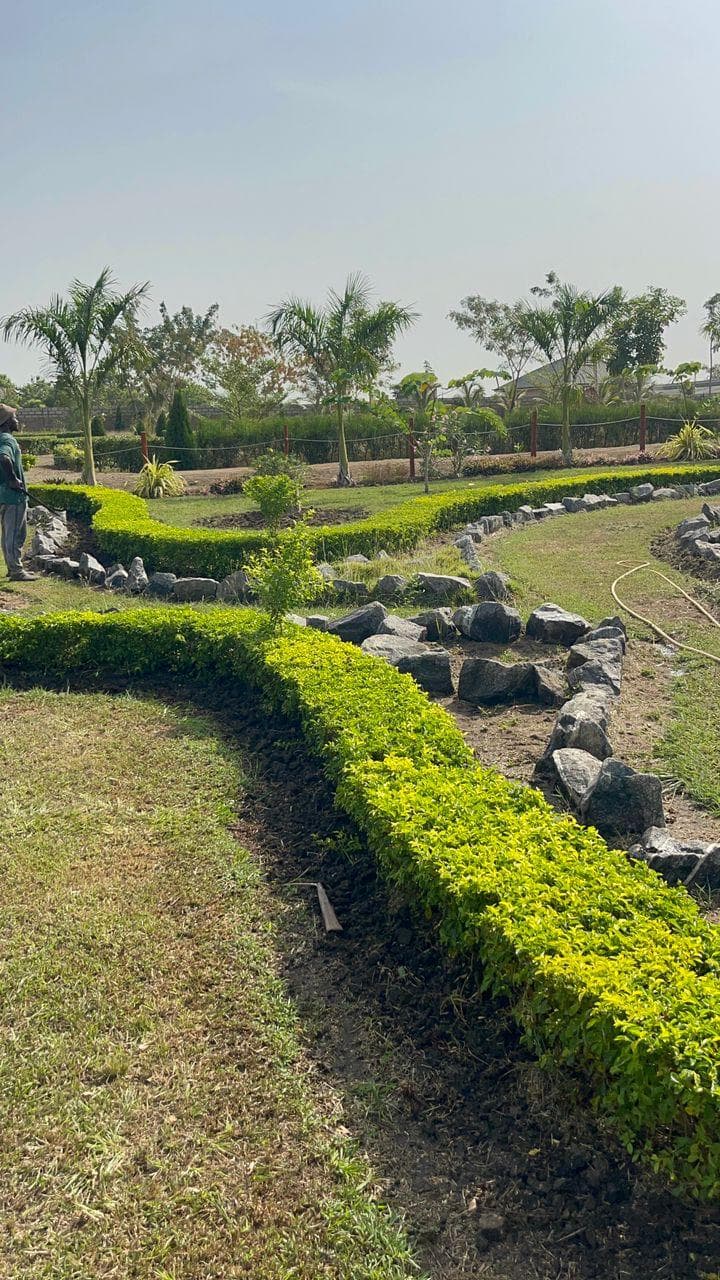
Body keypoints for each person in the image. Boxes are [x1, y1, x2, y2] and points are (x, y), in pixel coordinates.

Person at [0, 404, 37, 582]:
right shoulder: (8, 439)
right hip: (13, 497)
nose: (17, 420)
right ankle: (16, 571)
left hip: (3, 495)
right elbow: (4, 458)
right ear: (7, 421)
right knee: (16, 534)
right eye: (14, 417)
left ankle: (11, 566)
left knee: (7, 534)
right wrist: (12, 479)